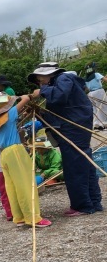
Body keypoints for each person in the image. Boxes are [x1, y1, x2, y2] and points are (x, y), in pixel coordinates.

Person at [29, 62, 103, 216]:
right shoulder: (61, 83)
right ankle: (93, 203)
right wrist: (41, 113)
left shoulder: (64, 79)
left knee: (74, 167)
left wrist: (42, 90)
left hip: (74, 129)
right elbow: (58, 110)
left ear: (48, 74)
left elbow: (59, 97)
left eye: (40, 80)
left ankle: (83, 206)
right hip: (73, 127)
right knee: (84, 163)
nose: (40, 83)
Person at [0, 91, 52, 227]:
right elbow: (27, 99)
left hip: (4, 154)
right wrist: (28, 96)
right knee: (25, 184)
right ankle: (33, 218)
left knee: (13, 186)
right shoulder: (9, 114)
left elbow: (16, 121)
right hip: (15, 151)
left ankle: (20, 216)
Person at [84, 63, 107, 130]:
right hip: (99, 92)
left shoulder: (86, 78)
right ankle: (104, 123)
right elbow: (105, 80)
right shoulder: (96, 74)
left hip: (90, 94)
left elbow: (87, 89)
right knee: (103, 107)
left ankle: (97, 124)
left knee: (95, 109)